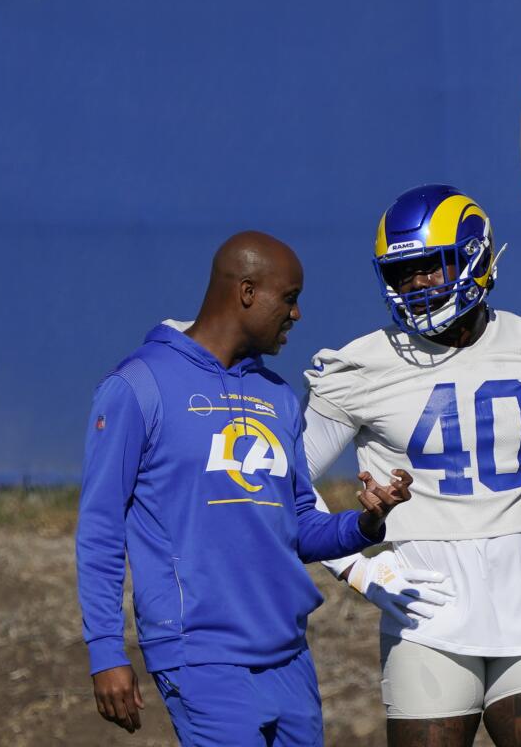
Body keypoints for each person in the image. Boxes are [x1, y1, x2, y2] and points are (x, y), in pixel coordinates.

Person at [305, 185, 521, 746]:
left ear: (476, 256)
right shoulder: (362, 367)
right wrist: (356, 567)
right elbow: (283, 481)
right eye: (402, 273)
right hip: (426, 621)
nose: (416, 284)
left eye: (430, 266)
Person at [76, 231, 412, 745]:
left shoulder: (277, 397)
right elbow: (100, 531)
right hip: (200, 657)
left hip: (290, 655)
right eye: (290, 299)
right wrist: (105, 651)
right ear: (247, 292)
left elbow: (298, 525)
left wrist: (365, 522)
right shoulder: (137, 386)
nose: (296, 316)